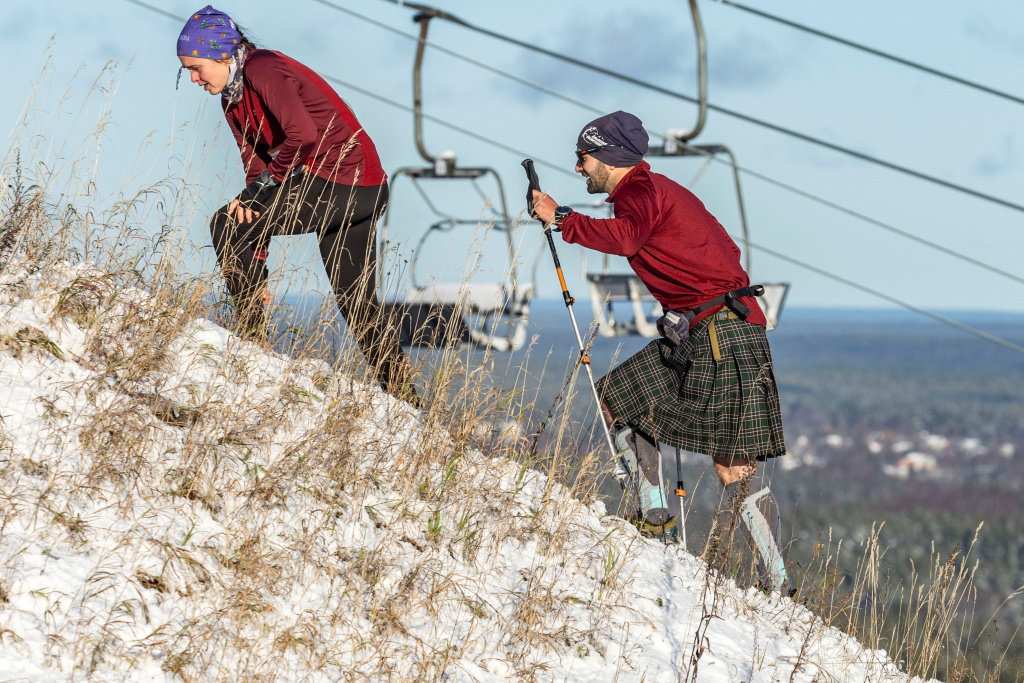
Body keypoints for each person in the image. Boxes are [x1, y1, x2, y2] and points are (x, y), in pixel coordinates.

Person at [530, 111, 790, 594]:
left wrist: (561, 218)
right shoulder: (655, 192)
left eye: (583, 157)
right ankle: (653, 518)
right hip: (708, 329)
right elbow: (722, 250)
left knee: (732, 465)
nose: (578, 167)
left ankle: (776, 586)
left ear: (607, 157)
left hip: (724, 335)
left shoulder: (639, 192)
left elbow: (627, 238)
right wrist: (686, 307)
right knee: (621, 396)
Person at [176, 5, 415, 402]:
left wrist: (262, 193)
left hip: (346, 182)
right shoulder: (232, 101)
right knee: (358, 306)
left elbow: (301, 135)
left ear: (221, 53)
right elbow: (256, 177)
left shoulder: (261, 67)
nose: (194, 78)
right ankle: (408, 403)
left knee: (224, 223)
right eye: (187, 70)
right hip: (354, 188)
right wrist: (256, 256)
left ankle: (253, 350)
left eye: (197, 67)